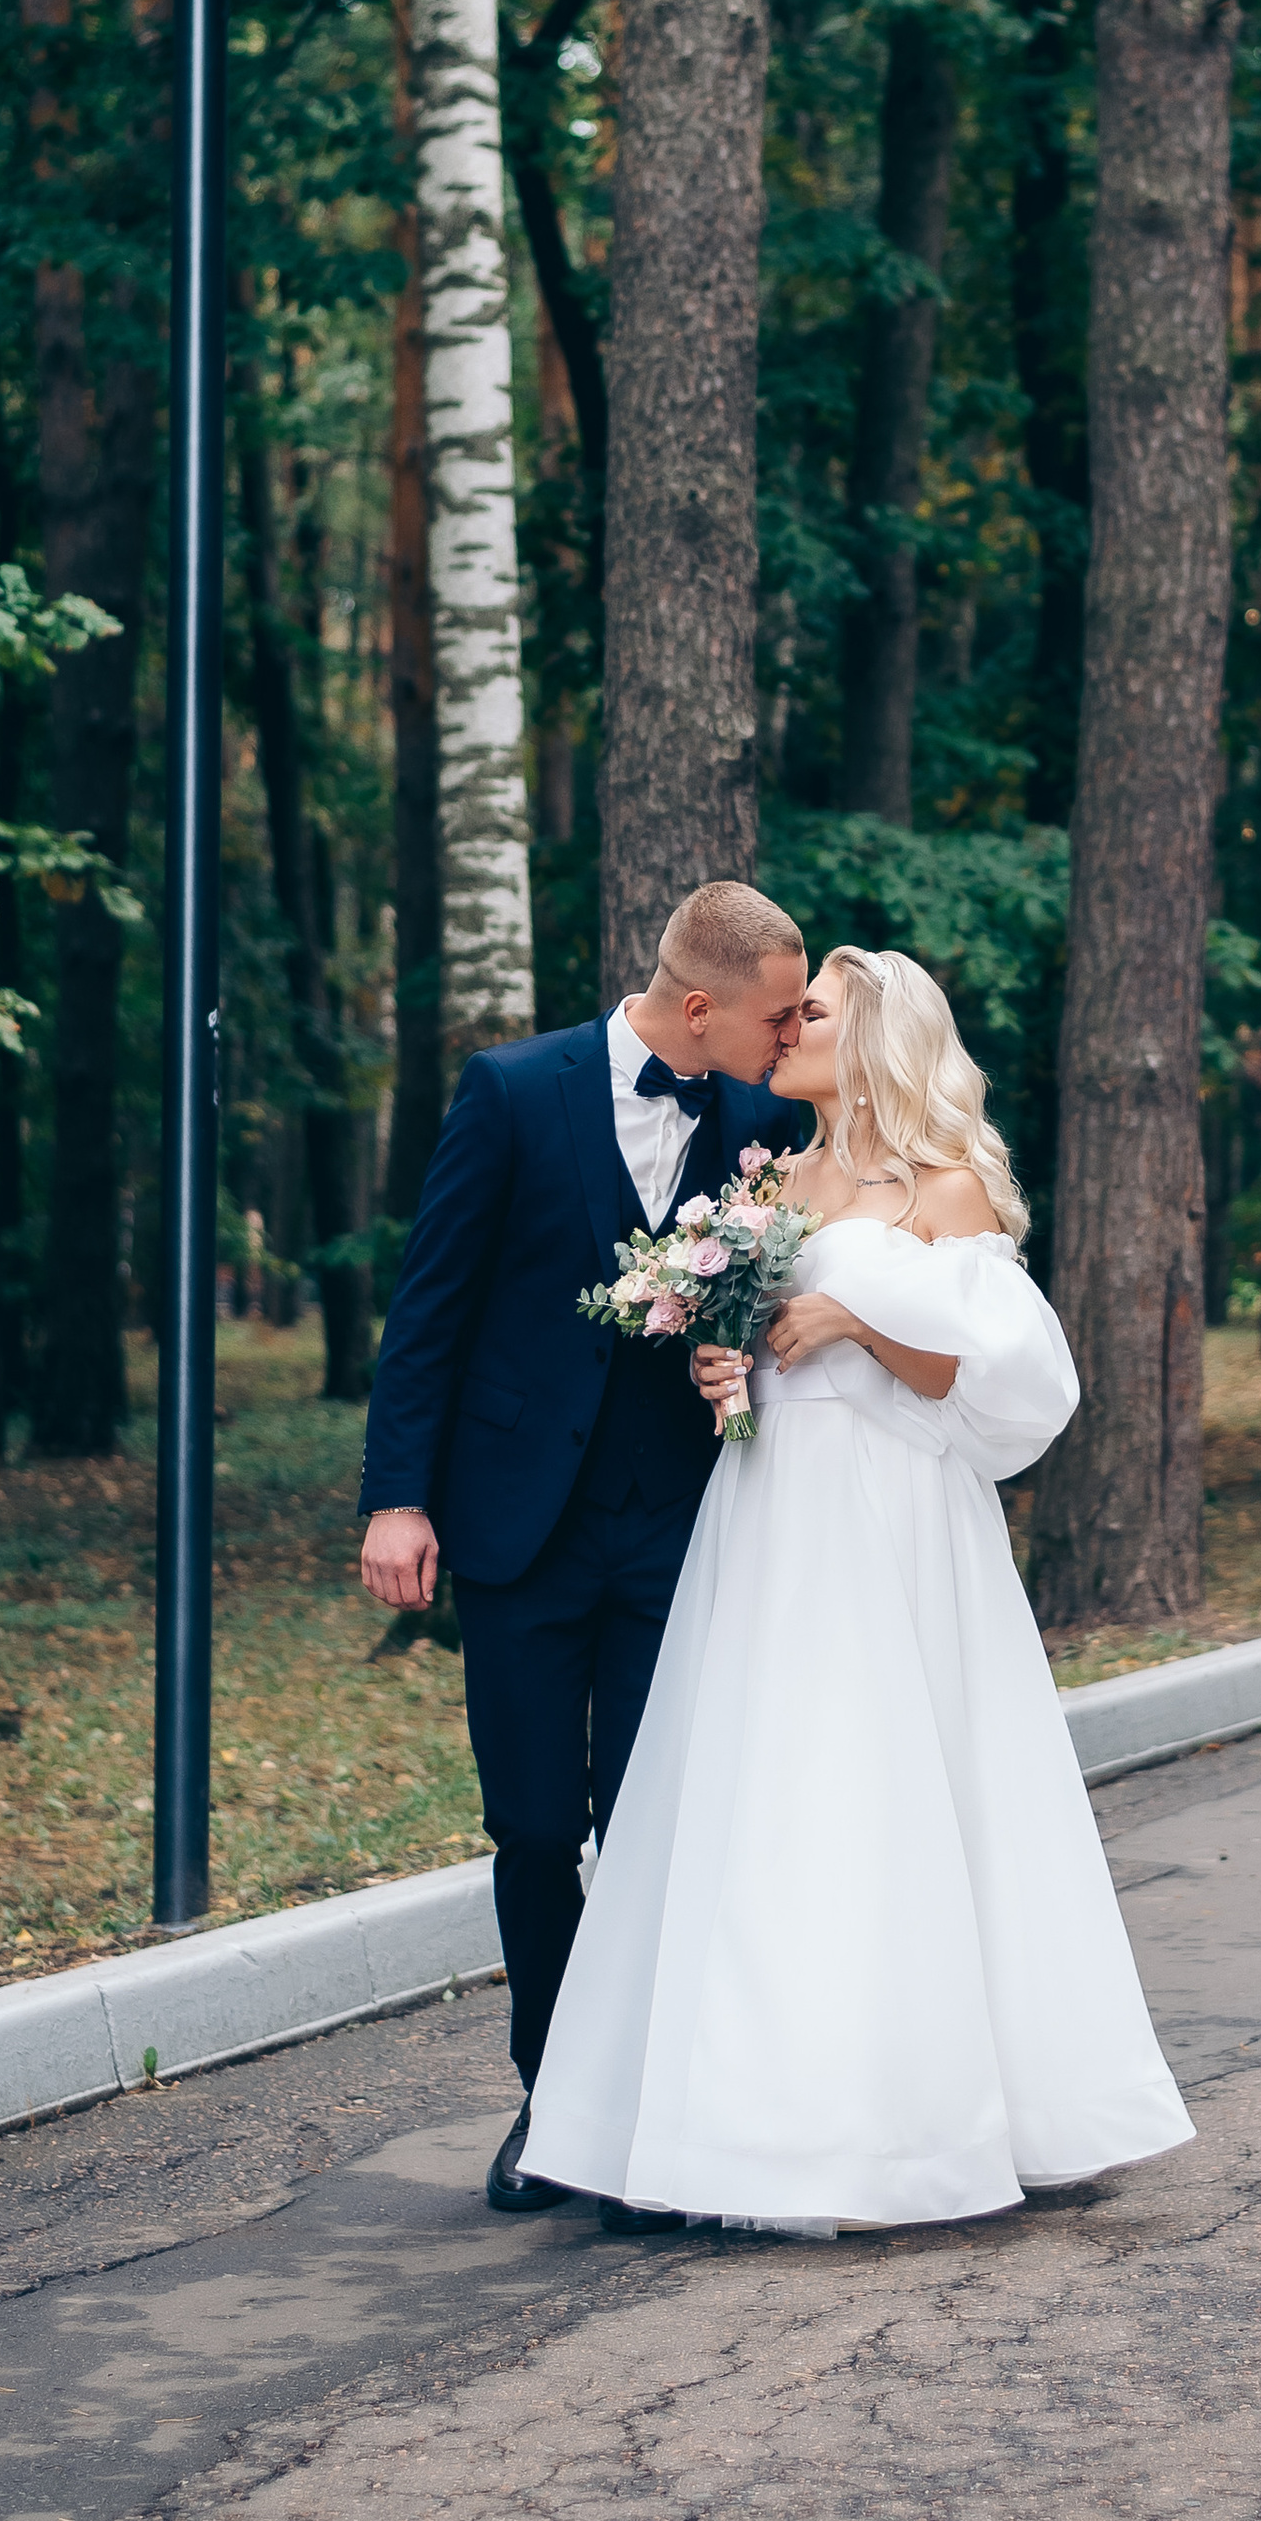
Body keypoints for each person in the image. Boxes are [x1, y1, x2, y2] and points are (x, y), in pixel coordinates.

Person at [524, 945, 1194, 2232]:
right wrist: (728, 1372)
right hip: (771, 1512)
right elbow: (755, 1343)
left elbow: (990, 1381)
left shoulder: (945, 1194)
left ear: (876, 1038)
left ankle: (938, 2122)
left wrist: (853, 1327)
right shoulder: (773, 1179)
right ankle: (743, 2129)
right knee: (770, 1795)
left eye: (812, 1014)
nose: (785, 1029)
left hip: (892, 1522)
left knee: (895, 1790)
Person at [356, 881, 807, 2226]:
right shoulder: (510, 1091)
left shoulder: (766, 1122)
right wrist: (398, 1498)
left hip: (679, 1523)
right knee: (538, 1823)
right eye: (776, 1016)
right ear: (700, 1006)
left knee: (654, 1824)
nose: (790, 1039)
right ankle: (554, 2099)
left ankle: (650, 2117)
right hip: (516, 1525)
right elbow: (428, 1305)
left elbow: (781, 1301)